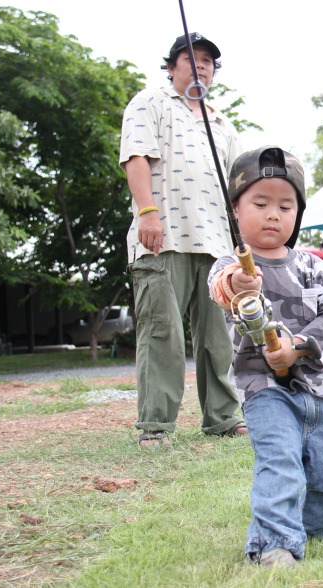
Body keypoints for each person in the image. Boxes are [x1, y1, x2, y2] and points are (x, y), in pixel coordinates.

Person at [207, 146, 323, 569]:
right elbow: (224, 287)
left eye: (285, 205)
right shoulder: (231, 266)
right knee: (281, 464)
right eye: (260, 203)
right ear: (236, 210)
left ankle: (311, 524)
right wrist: (241, 282)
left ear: (297, 214)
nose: (273, 214)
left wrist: (298, 348)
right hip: (266, 391)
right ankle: (275, 542)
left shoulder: (316, 268)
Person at [119, 32, 245, 446]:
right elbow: (136, 157)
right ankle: (155, 426)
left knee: (218, 339)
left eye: (209, 60)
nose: (201, 65)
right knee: (162, 334)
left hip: (217, 247)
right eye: (191, 58)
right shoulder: (150, 102)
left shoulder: (222, 124)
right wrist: (147, 213)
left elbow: (236, 191)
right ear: (171, 67)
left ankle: (223, 418)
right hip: (164, 236)